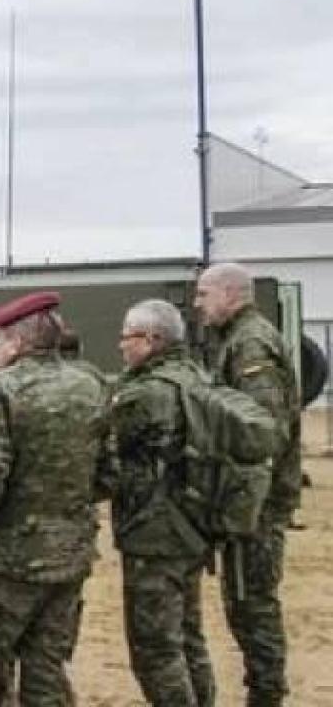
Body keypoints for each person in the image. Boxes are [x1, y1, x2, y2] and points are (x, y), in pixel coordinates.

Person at [0, 292, 108, 706]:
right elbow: (111, 472)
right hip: (69, 556)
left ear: (16, 343)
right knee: (46, 672)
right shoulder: (92, 385)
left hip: (4, 560)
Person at [195, 263, 300, 707]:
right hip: (249, 499)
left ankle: (266, 694)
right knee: (245, 603)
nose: (198, 304)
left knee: (252, 604)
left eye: (204, 294)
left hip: (256, 503)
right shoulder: (235, 340)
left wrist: (240, 511)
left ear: (231, 294)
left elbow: (262, 432)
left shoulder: (250, 343)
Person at [107, 299, 216, 706]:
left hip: (154, 532)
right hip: (194, 523)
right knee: (188, 637)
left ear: (152, 340)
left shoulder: (145, 393)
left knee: (155, 648)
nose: (121, 345)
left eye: (127, 336)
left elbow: (108, 445)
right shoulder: (196, 377)